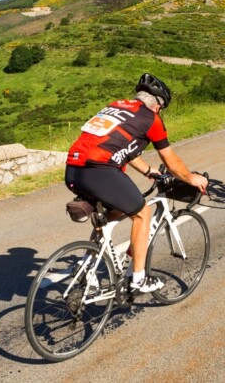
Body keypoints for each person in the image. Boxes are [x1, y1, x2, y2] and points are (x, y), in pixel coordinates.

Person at [64, 73, 208, 293]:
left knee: (111, 213)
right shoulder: (151, 119)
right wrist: (191, 178)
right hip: (99, 170)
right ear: (158, 105)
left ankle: (87, 265)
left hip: (73, 170)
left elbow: (123, 146)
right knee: (142, 213)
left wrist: (149, 171)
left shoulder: (116, 107)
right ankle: (138, 277)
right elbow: (170, 161)